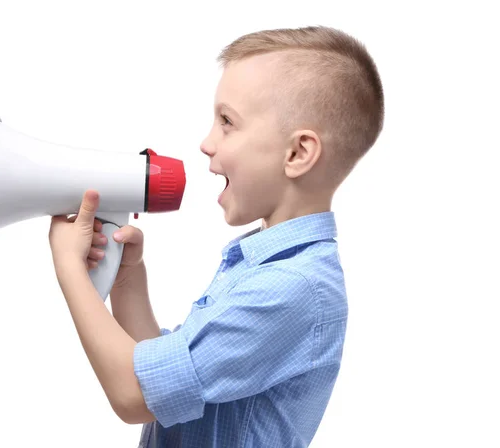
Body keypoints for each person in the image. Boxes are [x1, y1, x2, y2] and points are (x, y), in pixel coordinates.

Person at [48, 24, 384, 448]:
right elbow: (170, 386)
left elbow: (134, 396)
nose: (207, 143)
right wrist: (128, 283)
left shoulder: (291, 289)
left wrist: (68, 269)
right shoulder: (265, 268)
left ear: (297, 153)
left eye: (227, 122)